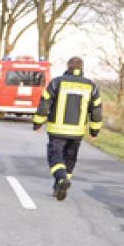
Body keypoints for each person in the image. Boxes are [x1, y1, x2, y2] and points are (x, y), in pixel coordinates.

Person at [32, 56, 102, 201]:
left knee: (55, 156)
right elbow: (96, 110)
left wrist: (38, 123)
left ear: (68, 66)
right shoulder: (91, 86)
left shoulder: (57, 82)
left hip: (57, 130)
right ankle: (59, 186)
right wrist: (94, 131)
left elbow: (45, 104)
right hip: (77, 132)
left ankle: (62, 179)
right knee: (70, 158)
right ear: (82, 68)